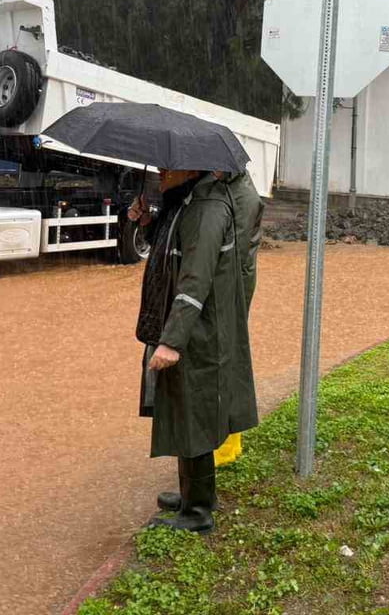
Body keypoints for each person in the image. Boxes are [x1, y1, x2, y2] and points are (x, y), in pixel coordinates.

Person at [128, 166, 264, 533]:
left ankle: (197, 513)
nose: (161, 170)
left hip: (200, 329)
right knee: (186, 407)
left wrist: (172, 341)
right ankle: (195, 495)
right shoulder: (189, 201)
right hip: (192, 325)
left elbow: (195, 278)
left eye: (168, 166)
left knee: (194, 411)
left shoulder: (207, 210)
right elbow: (170, 248)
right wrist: (146, 221)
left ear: (192, 167)